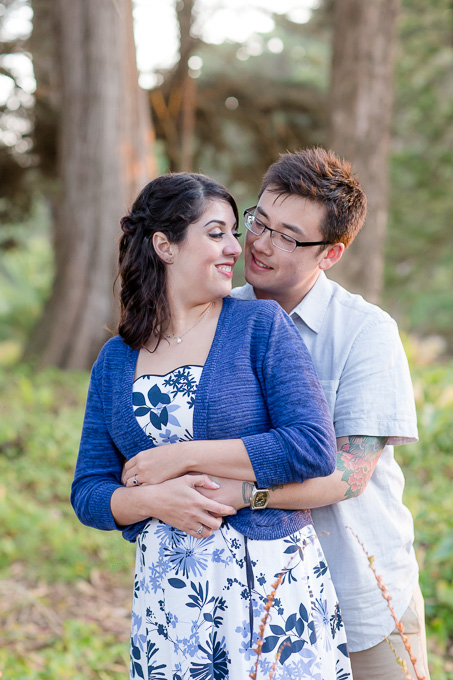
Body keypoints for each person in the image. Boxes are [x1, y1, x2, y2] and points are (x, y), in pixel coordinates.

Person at [71, 172, 353, 680]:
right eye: (216, 232)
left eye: (232, 231)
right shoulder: (115, 360)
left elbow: (312, 447)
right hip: (169, 598)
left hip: (270, 585)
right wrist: (152, 501)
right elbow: (89, 490)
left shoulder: (259, 326)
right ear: (165, 245)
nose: (236, 247)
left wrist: (182, 456)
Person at [226, 147, 430, 680]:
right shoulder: (219, 318)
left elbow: (351, 474)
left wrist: (247, 495)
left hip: (359, 592)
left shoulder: (365, 332)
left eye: (288, 237)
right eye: (259, 222)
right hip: (252, 595)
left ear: (330, 254)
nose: (261, 244)